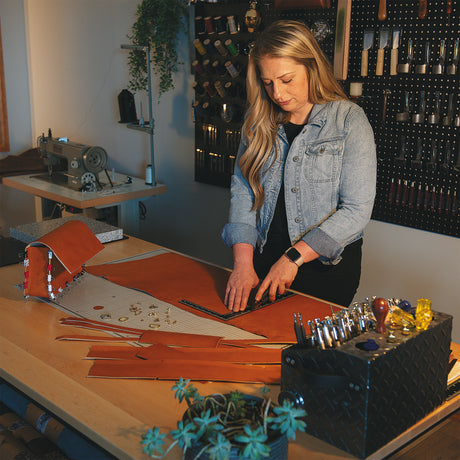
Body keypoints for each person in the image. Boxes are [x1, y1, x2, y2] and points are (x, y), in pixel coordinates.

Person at [221, 20, 376, 312]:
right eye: (268, 82)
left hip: (326, 271)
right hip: (264, 262)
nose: (277, 92)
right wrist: (242, 263)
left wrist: (292, 258)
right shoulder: (257, 123)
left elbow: (356, 210)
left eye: (286, 79)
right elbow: (243, 191)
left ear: (311, 67)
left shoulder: (349, 121)